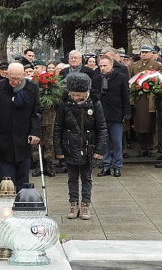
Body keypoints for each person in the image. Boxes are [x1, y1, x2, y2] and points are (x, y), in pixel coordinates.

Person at [53, 72, 106, 220]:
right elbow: (58, 128)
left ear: (86, 93)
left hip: (88, 147)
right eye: (73, 94)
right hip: (69, 146)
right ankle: (73, 203)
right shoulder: (64, 105)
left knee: (87, 177)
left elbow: (101, 127)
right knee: (72, 177)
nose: (75, 98)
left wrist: (99, 150)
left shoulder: (95, 104)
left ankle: (85, 205)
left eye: (79, 95)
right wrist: (58, 150)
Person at [0, 63, 42, 191]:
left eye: (19, 79)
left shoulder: (32, 88)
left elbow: (36, 112)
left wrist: (35, 132)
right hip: (4, 141)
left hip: (23, 140)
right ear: (6, 75)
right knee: (6, 183)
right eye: (13, 79)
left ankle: (22, 206)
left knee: (23, 181)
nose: (16, 82)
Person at [92, 55, 130, 177]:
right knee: (104, 142)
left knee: (117, 141)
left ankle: (117, 165)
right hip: (102, 114)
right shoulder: (97, 79)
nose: (102, 68)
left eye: (105, 66)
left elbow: (125, 96)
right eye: (101, 66)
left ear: (111, 65)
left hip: (116, 113)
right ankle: (106, 165)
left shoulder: (121, 78)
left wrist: (127, 112)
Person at [130, 45, 162, 157]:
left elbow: (160, 82)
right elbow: (131, 82)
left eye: (146, 52)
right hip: (139, 98)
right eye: (142, 52)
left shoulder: (156, 66)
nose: (143, 54)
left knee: (151, 124)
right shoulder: (135, 66)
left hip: (151, 99)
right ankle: (142, 147)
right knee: (140, 125)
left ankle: (153, 148)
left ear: (151, 53)